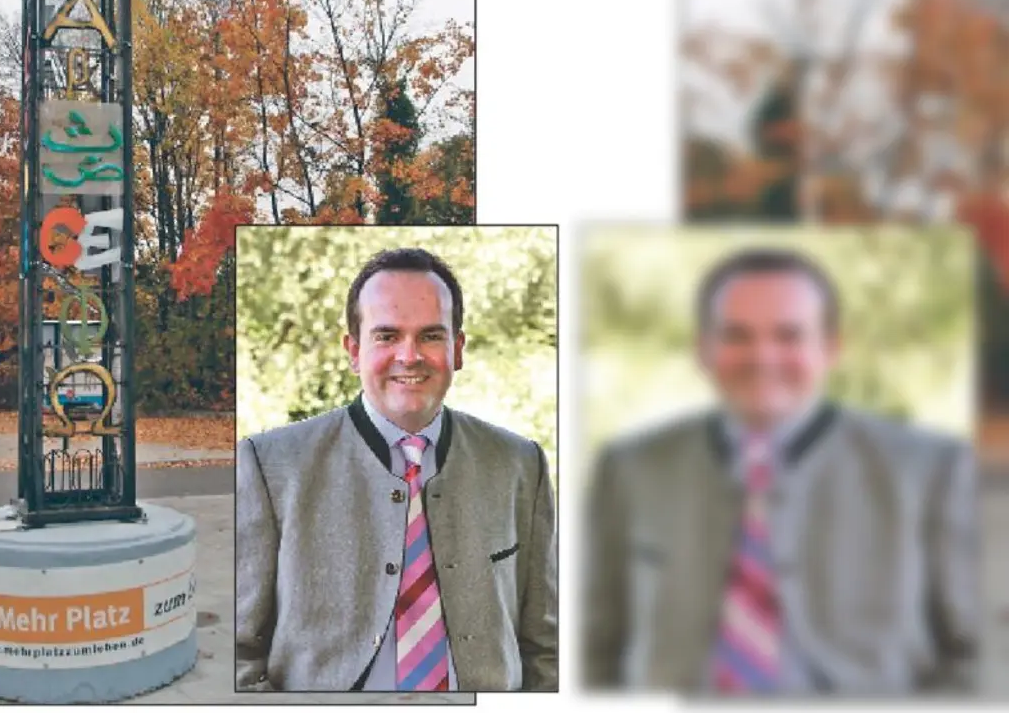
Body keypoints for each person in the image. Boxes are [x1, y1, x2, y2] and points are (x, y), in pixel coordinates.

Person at [583, 247, 977, 695]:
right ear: (704, 349)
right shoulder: (630, 470)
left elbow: (980, 654)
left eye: (789, 336)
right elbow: (593, 647)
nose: (763, 357)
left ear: (830, 348)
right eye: (737, 336)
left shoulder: (931, 473)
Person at [235, 247, 558, 692]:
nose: (410, 356)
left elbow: (546, 647)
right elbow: (239, 653)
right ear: (353, 350)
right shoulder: (270, 466)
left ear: (457, 348)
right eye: (387, 336)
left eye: (430, 335)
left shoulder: (521, 465)